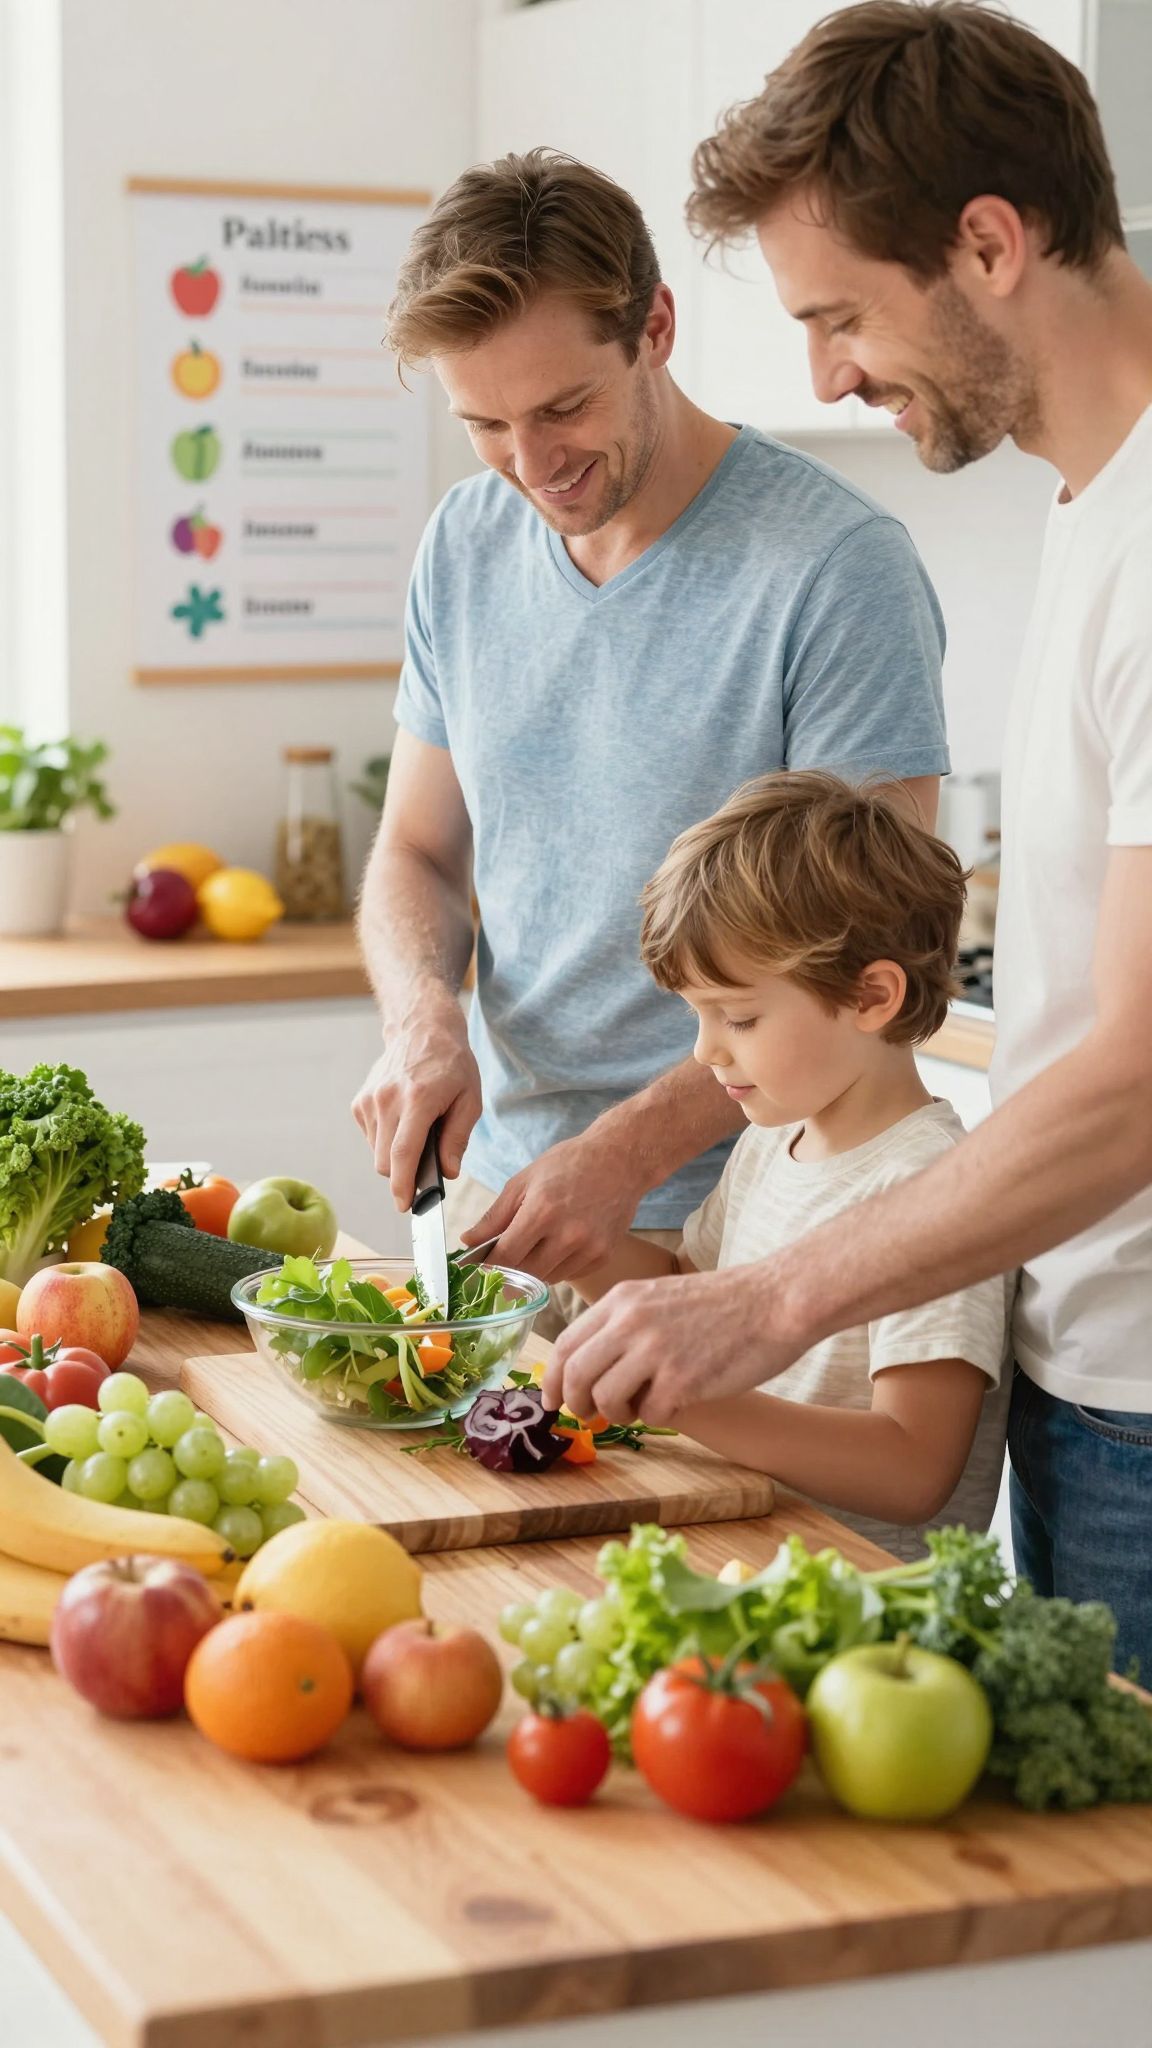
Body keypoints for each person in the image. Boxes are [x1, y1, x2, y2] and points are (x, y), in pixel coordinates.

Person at [545, 1, 1152, 1675]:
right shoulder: (1093, 503)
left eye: (840, 316)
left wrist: (768, 1304)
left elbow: (1137, 1075)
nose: (824, 374)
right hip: (1092, 1366)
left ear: (989, 244)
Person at [353, 148, 949, 1339]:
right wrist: (422, 1017)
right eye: (485, 424)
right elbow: (416, 850)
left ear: (656, 328)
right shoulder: (465, 543)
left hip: (743, 1227)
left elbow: (867, 955)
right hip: (502, 1202)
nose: (532, 466)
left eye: (562, 407)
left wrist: (624, 1152)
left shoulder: (837, 569)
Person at [571, 771, 1011, 1563]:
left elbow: (913, 1468)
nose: (706, 1051)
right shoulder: (776, 1135)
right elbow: (689, 1290)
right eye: (698, 1015)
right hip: (742, 1563)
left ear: (872, 997)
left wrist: (679, 1398)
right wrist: (581, 1250)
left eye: (738, 1017)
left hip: (858, 1605)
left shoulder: (935, 1191)